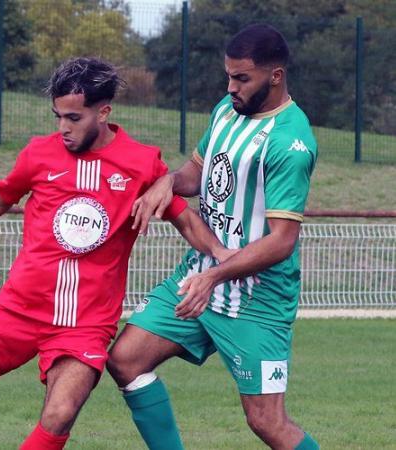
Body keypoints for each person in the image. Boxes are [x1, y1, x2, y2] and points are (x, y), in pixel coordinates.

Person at [0, 57, 232, 450]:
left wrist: (221, 254)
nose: (63, 127)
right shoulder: (37, 155)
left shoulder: (141, 164)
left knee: (59, 415)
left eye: (74, 118)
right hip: (17, 309)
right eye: (58, 116)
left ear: (103, 111)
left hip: (85, 326)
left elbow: (186, 221)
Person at [107, 24, 320, 450]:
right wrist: (166, 182)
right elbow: (198, 175)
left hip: (257, 300)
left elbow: (281, 241)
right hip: (199, 275)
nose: (231, 86)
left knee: (266, 422)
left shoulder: (290, 142)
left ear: (274, 76)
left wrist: (214, 278)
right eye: (228, 76)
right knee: (125, 360)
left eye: (242, 78)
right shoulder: (226, 110)